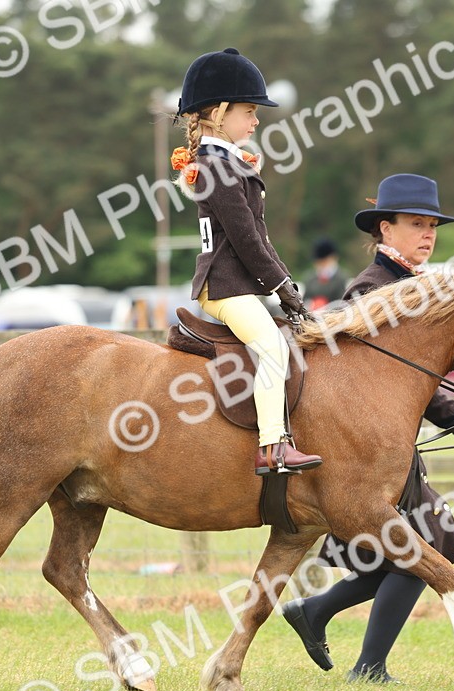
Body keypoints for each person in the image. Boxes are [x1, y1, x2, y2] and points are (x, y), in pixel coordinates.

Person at [279, 174, 454, 683]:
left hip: (394, 448)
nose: (428, 235)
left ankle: (319, 615)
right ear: (385, 229)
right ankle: (363, 660)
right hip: (367, 450)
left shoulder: (420, 288)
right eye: (416, 224)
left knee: (414, 549)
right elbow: (405, 382)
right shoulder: (370, 289)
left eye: (432, 226)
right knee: (428, 547)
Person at [170, 48, 321, 475]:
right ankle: (272, 446)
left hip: (238, 282)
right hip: (223, 284)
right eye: (249, 112)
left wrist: (287, 285)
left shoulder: (228, 163)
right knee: (273, 347)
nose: (256, 121)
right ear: (219, 113)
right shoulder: (216, 167)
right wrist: (279, 287)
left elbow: (260, 237)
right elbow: (246, 240)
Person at [299, 238, 350, 311]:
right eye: (319, 262)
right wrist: (311, 305)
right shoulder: (310, 278)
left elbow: (344, 302)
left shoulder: (342, 278)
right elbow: (305, 300)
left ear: (334, 258)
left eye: (325, 261)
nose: (322, 265)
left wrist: (326, 308)